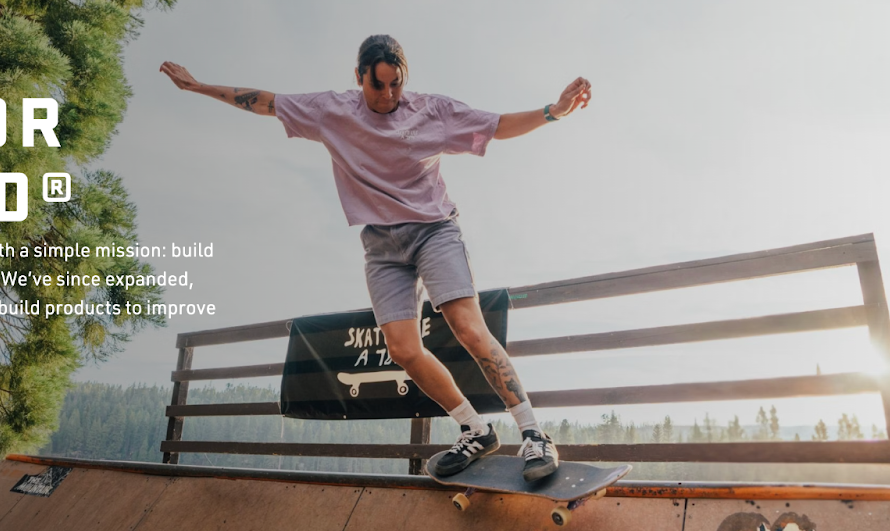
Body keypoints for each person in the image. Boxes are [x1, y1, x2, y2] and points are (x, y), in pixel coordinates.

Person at [159, 35, 592, 480]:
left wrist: (552, 112)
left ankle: (534, 434)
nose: (387, 96)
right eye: (378, 86)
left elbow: (496, 124)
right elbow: (265, 102)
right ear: (359, 78)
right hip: (382, 247)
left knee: (467, 326)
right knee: (403, 350)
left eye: (395, 85)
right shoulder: (332, 111)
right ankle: (474, 429)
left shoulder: (432, 111)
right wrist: (199, 88)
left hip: (434, 230)